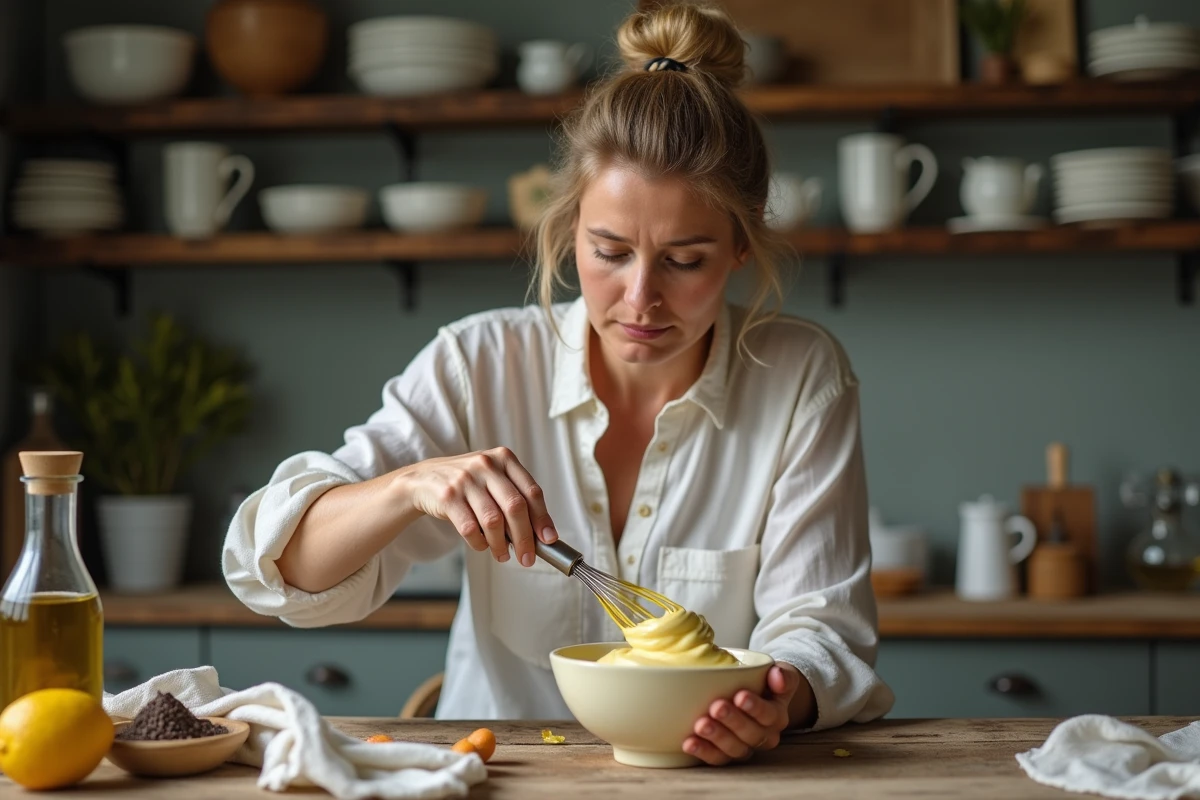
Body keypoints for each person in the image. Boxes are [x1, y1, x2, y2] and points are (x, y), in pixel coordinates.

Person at [223, 1, 894, 766]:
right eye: (610, 251)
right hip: (499, 772)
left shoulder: (800, 375)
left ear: (742, 244)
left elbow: (823, 630)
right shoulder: (477, 363)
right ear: (570, 227)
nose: (641, 298)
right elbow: (276, 571)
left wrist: (775, 701)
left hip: (707, 775)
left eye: (685, 260)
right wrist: (409, 485)